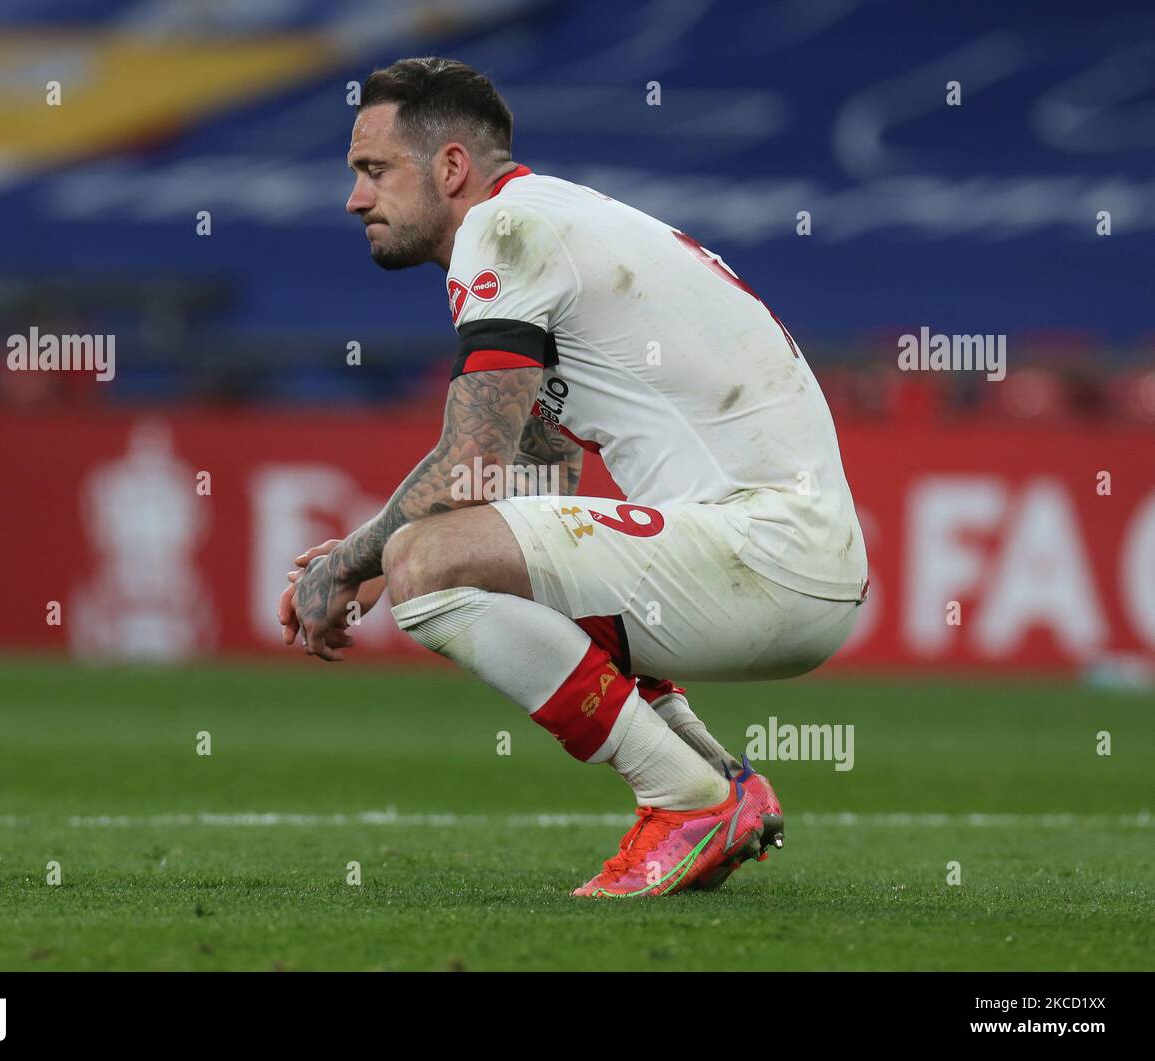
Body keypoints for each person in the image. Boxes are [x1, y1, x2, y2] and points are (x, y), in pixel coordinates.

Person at [280, 57, 868, 898]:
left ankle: (683, 803)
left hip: (766, 549)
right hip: (791, 558)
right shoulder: (557, 221)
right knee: (457, 558)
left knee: (421, 565)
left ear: (451, 168)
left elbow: (472, 459)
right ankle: (718, 779)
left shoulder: (504, 229)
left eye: (374, 170)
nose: (355, 199)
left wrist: (359, 558)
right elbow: (535, 479)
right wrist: (407, 542)